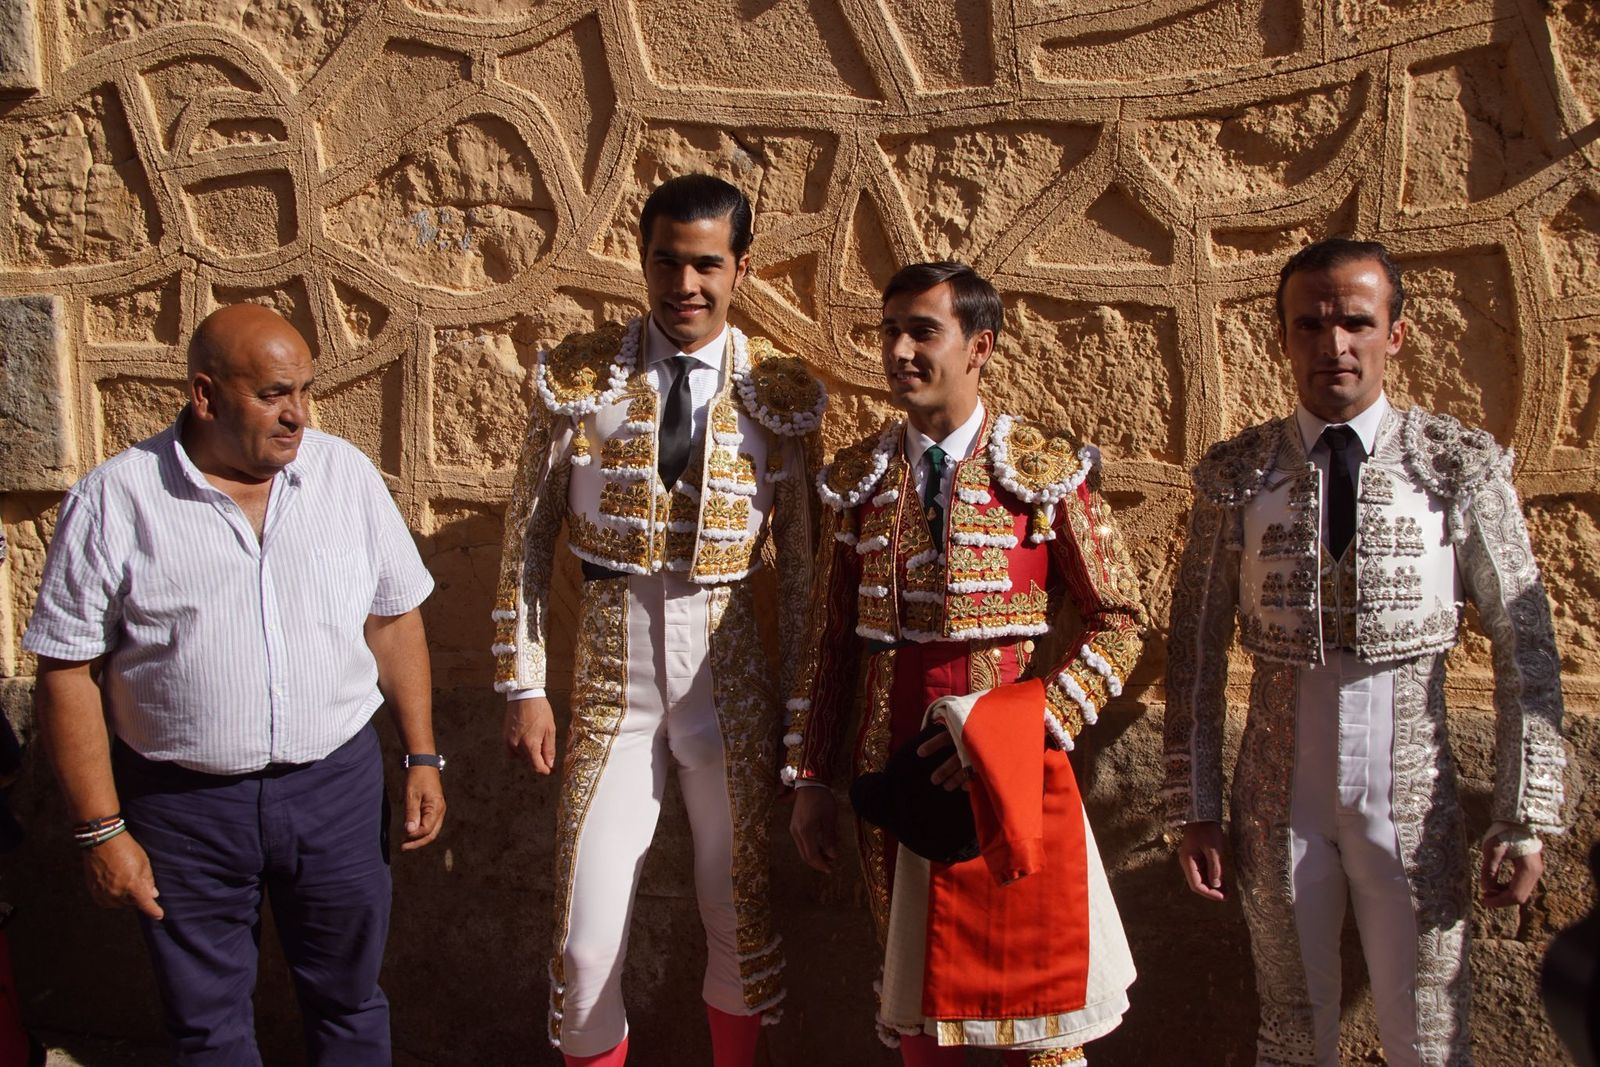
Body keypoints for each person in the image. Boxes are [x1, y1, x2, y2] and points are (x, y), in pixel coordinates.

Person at [1163, 237, 1567, 1065]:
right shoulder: (1239, 475)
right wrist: (1194, 801)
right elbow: (1195, 653)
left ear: (1396, 333)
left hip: (1415, 803)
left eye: (1355, 322)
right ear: (1283, 336)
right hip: (1279, 804)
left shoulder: (1456, 466)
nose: (1333, 345)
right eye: (1309, 325)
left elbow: (1526, 644)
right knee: (1289, 1025)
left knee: (1427, 1034)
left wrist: (1525, 817)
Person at [25, 303, 443, 1066]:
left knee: (350, 1000)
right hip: (184, 811)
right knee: (205, 1025)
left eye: (307, 391)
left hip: (336, 794)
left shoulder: (343, 475)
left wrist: (422, 755)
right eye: (275, 394)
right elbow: (67, 671)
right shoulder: (115, 501)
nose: (299, 416)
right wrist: (101, 827)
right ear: (206, 395)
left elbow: (393, 617)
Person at [494, 173, 825, 1067]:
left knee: (736, 911)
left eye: (706, 265)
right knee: (581, 940)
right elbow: (525, 537)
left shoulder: (782, 394)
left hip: (733, 678)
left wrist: (803, 723)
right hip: (609, 675)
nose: (686, 285)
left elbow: (802, 577)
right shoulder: (579, 373)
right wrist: (524, 680)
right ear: (644, 263)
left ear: (740, 268)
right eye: (667, 262)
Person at [784, 261, 1143, 1066]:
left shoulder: (1042, 471)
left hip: (1009, 766)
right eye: (890, 331)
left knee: (1035, 1006)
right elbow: (831, 641)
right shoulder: (860, 478)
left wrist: (1042, 719)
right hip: (895, 763)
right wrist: (811, 777)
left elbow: (1120, 619)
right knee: (919, 1004)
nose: (899, 350)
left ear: (979, 346)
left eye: (923, 331)